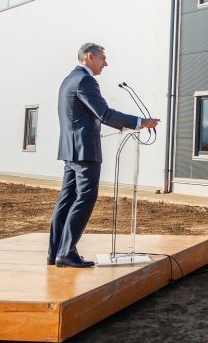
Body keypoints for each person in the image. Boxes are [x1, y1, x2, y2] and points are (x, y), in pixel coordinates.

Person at [48, 43, 158, 268]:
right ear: (90, 57)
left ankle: (56, 251)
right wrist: (140, 122)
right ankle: (66, 252)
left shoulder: (68, 80)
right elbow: (105, 114)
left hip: (71, 150)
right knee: (85, 198)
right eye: (102, 59)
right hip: (85, 151)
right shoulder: (85, 81)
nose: (105, 64)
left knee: (66, 200)